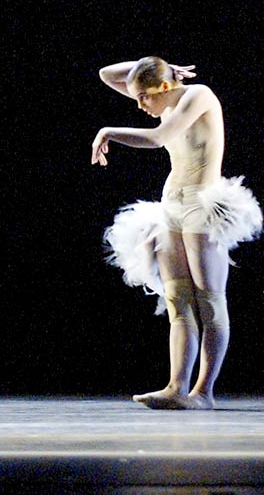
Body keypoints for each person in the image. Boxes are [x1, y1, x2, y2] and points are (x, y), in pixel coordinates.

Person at [94, 57, 260, 410]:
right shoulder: (164, 100)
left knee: (209, 299)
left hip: (203, 206)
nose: (139, 105)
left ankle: (203, 392)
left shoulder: (197, 95)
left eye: (143, 98)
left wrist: (108, 132)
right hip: (172, 206)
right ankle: (176, 387)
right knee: (177, 299)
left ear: (165, 88)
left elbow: (156, 140)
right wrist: (157, 66)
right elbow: (108, 75)